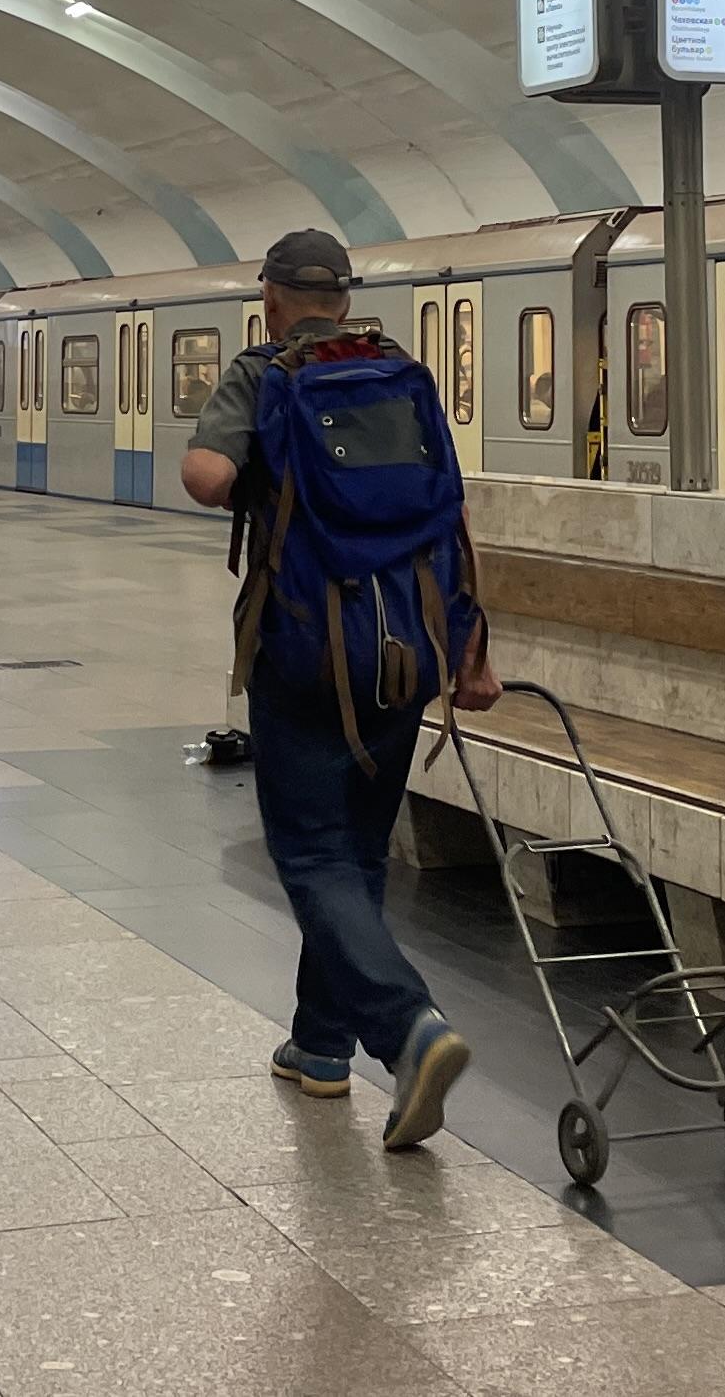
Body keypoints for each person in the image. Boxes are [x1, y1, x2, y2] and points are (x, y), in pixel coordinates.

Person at [182, 228, 491, 1153]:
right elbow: (452, 515)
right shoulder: (403, 374)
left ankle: (406, 1027)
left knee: (312, 851)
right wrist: (471, 650)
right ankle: (320, 1047)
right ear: (347, 299)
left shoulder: (262, 371)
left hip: (308, 647)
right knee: (356, 851)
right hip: (410, 648)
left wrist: (243, 464)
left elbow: (206, 478)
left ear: (271, 298)